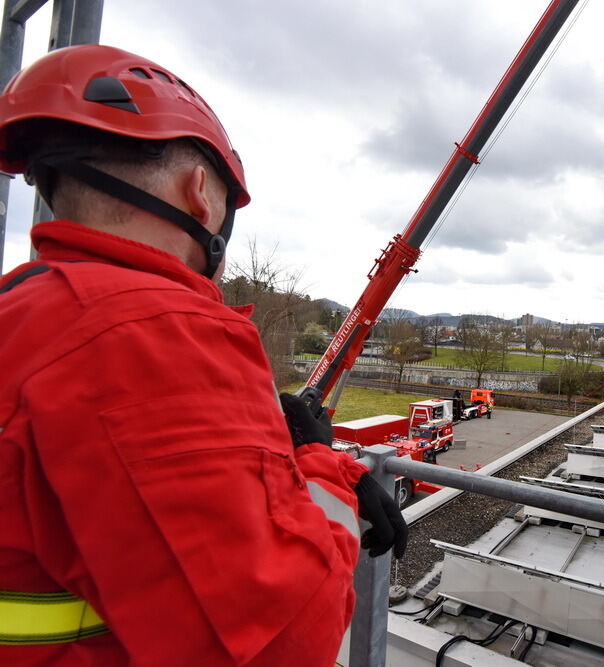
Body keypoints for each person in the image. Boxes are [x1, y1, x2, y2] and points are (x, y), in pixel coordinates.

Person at [0, 45, 406, 664]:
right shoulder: (151, 331)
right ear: (200, 192)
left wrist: (307, 462)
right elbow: (286, 643)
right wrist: (324, 470)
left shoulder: (24, 312)